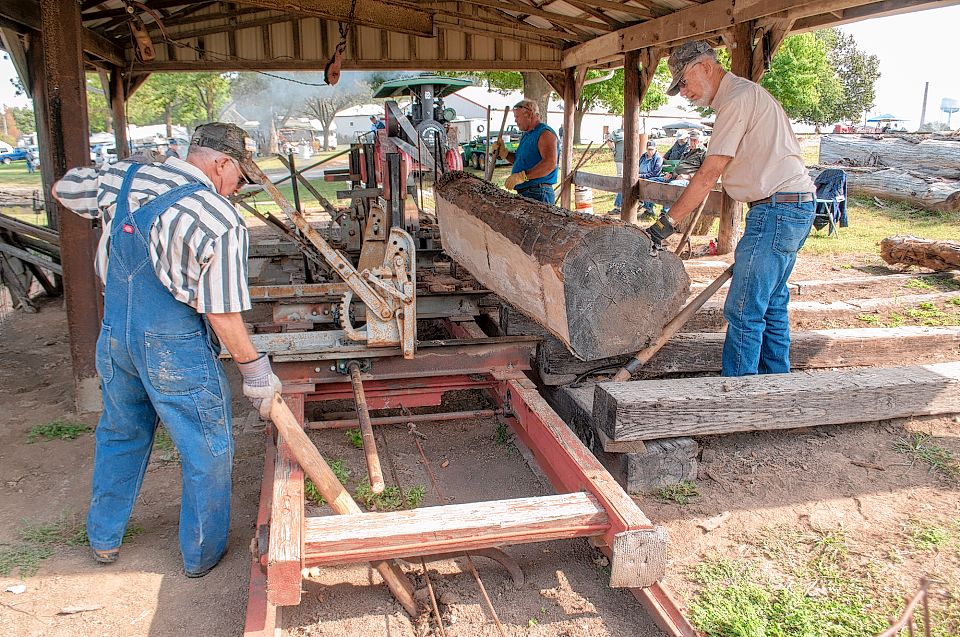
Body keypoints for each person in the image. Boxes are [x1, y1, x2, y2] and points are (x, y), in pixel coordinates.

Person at [51, 122, 282, 578]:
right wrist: (254, 371)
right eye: (239, 178)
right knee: (206, 446)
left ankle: (103, 538)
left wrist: (116, 205)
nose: (236, 189)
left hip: (116, 333)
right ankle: (201, 555)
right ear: (222, 163)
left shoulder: (128, 176)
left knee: (121, 432)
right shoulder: (219, 220)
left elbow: (62, 189)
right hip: (172, 345)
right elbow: (222, 314)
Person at [646, 40, 816, 378]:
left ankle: (737, 395)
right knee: (771, 306)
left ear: (705, 67)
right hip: (789, 208)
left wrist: (664, 226)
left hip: (777, 211)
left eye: (684, 82)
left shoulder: (737, 100)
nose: (684, 92)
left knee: (744, 310)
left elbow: (708, 174)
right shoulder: (743, 96)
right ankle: (774, 385)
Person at [490, 99, 559, 204]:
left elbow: (550, 164)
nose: (515, 121)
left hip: (539, 193)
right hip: (529, 192)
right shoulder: (526, 135)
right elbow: (521, 161)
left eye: (517, 117)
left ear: (529, 114)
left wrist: (523, 176)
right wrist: (505, 153)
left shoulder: (544, 134)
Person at [638, 140, 663, 215]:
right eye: (648, 149)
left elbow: (655, 173)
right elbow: (636, 166)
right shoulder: (643, 156)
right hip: (640, 176)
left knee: (647, 184)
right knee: (626, 181)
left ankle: (649, 209)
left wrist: (641, 176)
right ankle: (619, 207)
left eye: (652, 149)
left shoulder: (658, 158)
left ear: (655, 149)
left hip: (650, 178)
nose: (650, 151)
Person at [606, 126, 625, 214]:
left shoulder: (634, 129)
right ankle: (619, 206)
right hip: (620, 159)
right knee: (621, 180)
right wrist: (613, 150)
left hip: (631, 160)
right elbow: (609, 141)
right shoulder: (617, 132)